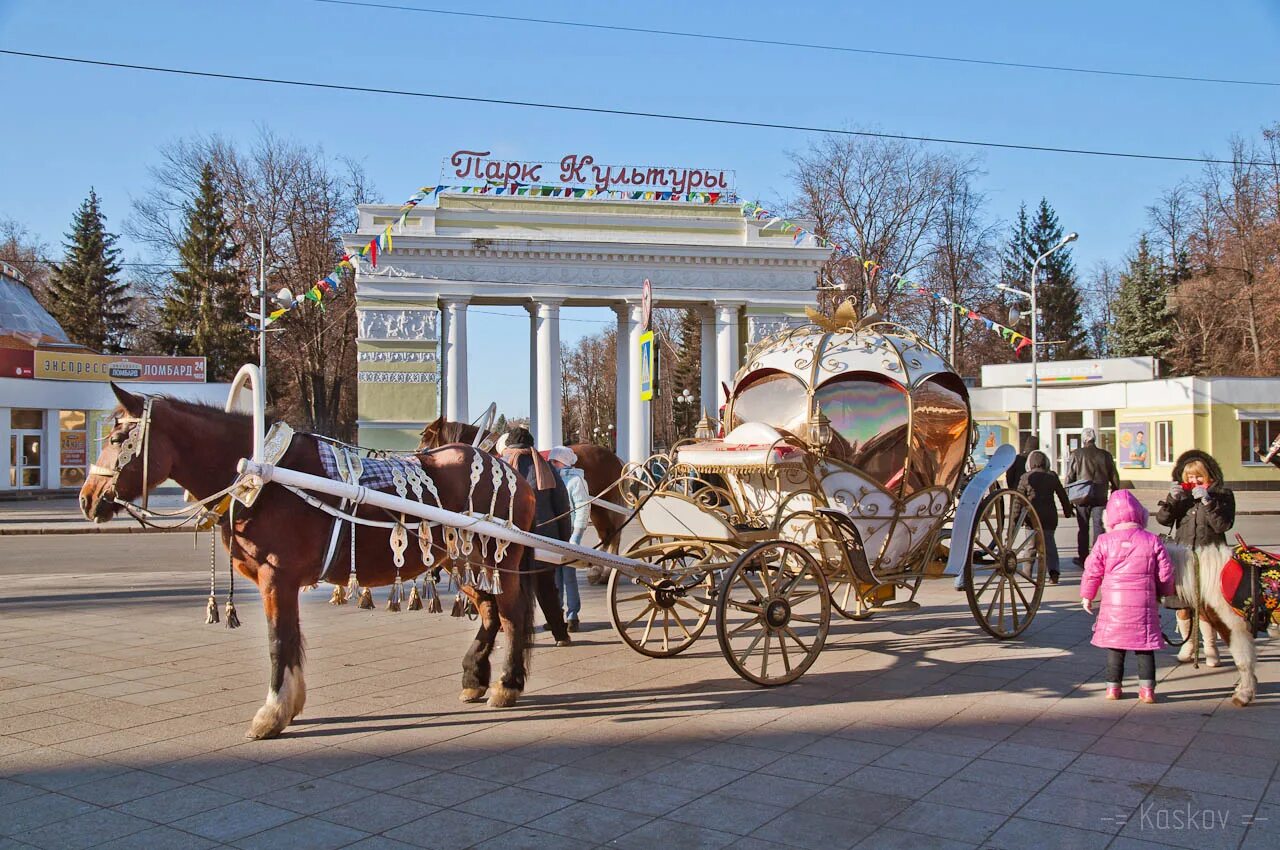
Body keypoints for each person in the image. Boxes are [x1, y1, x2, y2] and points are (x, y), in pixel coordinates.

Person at [1080, 490, 1176, 703]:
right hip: (1143, 602)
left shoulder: (1104, 541)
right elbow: (1166, 571)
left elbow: (1092, 570)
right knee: (1145, 647)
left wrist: (1088, 595)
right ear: (1141, 514)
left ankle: (1113, 689)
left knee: (1115, 647)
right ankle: (1147, 691)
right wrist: (1164, 592)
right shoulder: (1152, 540)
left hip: (1114, 604)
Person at [1155, 449, 1236, 666]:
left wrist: (1209, 503)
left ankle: (1210, 646)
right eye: (1189, 477)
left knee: (1206, 605)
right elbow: (1163, 520)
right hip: (1183, 557)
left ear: (1209, 475)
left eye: (1199, 476)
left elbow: (1223, 525)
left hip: (1210, 558)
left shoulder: (1223, 495)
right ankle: (1188, 643)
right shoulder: (1183, 496)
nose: (1194, 480)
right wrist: (1172, 499)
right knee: (1182, 604)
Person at [500, 427, 572, 646]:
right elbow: (562, 506)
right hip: (544, 538)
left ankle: (517, 636)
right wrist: (563, 540)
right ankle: (560, 635)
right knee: (547, 589)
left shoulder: (499, 468)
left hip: (508, 541)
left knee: (513, 590)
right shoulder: (546, 467)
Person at [548, 445, 591, 632]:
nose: (551, 464)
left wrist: (577, 535)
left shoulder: (576, 480)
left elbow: (582, 508)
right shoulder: (553, 479)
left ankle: (573, 615)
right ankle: (557, 613)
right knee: (555, 576)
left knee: (569, 576)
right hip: (555, 532)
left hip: (569, 532)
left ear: (562, 462)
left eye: (554, 461)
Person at [1016, 450, 1074, 585]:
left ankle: (1027, 574)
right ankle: (1053, 574)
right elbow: (1062, 495)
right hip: (1049, 517)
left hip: (1031, 517)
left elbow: (1018, 502)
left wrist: (1015, 521)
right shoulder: (1052, 476)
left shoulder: (1025, 477)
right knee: (1049, 546)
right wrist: (1067, 511)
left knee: (1030, 546)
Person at [1067, 427, 1121, 565]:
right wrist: (1115, 491)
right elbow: (1114, 476)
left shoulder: (1076, 454)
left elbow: (1069, 478)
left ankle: (1083, 557)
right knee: (1099, 527)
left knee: (1083, 528)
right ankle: (1098, 558)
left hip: (1081, 496)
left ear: (1083, 439)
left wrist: (1069, 497)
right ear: (1094, 439)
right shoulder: (1105, 455)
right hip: (1100, 496)